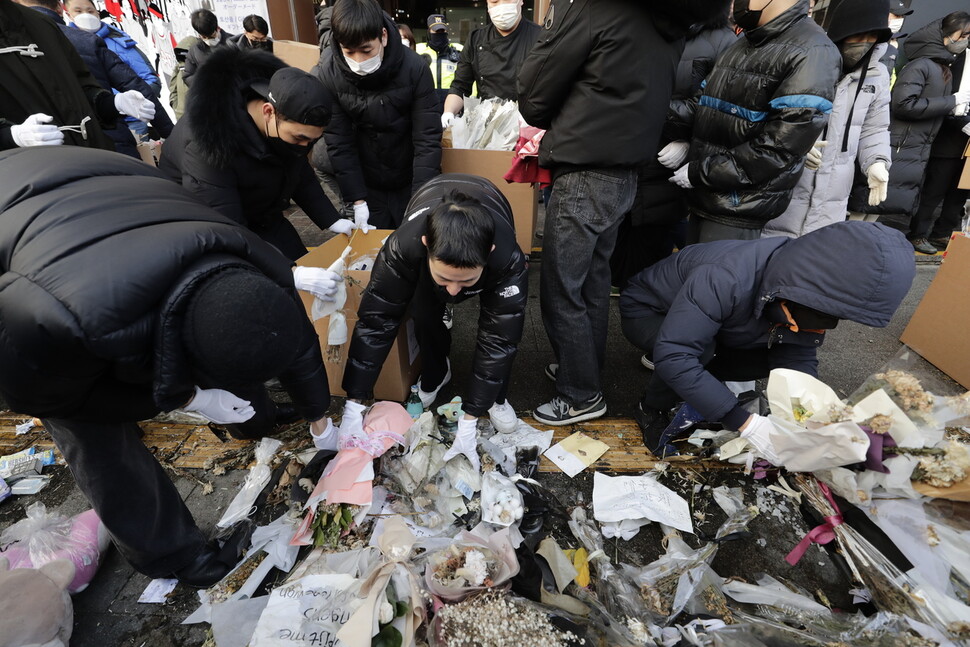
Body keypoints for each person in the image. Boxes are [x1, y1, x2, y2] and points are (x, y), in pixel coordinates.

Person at [0, 146, 342, 587]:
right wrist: (190, 397)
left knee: (238, 343)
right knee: (96, 437)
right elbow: (37, 395)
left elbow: (292, 342)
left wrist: (319, 418)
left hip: (83, 194)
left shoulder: (257, 260)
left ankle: (255, 420)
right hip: (32, 261)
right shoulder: (60, 322)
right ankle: (172, 554)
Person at [518, 0, 728, 425]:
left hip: (585, 165)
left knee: (564, 286)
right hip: (626, 170)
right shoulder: (667, 19)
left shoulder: (599, 9)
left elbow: (534, 90)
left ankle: (580, 393)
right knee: (592, 281)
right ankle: (583, 370)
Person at [619, 221, 915, 452]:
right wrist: (744, 423)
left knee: (767, 365)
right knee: (697, 353)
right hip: (649, 310)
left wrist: (808, 413)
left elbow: (797, 354)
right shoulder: (726, 276)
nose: (832, 324)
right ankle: (652, 407)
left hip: (716, 322)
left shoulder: (802, 284)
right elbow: (675, 354)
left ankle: (703, 390)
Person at [340, 174, 528, 459]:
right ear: (426, 245)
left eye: (465, 282)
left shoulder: (507, 259)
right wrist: (354, 403)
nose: (453, 291)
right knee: (425, 313)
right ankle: (436, 372)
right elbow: (376, 322)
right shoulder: (402, 247)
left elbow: (499, 340)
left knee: (498, 333)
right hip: (429, 198)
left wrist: (470, 419)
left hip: (492, 201)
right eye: (445, 278)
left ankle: (495, 397)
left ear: (489, 254)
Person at [669, 0, 841, 243]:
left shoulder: (813, 51)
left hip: (737, 207)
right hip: (704, 197)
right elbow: (701, 105)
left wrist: (700, 171)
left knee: (715, 278)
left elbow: (777, 148)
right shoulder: (743, 42)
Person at [160, 49, 352, 261]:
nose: (304, 147)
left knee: (300, 263)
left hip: (263, 212)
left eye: (312, 141)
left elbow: (300, 174)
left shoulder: (283, 127)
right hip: (205, 227)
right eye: (299, 138)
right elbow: (225, 226)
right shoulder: (208, 144)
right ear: (268, 111)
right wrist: (287, 272)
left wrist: (331, 219)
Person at [610, 10, 738, 291]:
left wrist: (691, 144)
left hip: (670, 164)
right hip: (627, 151)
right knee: (615, 244)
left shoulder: (722, 41)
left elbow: (722, 106)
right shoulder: (645, 25)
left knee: (653, 246)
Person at [763, 0, 893, 238]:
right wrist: (795, 142)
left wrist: (877, 161)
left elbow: (875, 127)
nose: (864, 43)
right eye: (858, 35)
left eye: (872, 35)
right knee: (771, 250)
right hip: (788, 181)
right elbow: (771, 111)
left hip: (834, 190)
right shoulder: (808, 60)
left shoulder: (878, 75)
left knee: (813, 257)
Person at [847, 12, 970, 254]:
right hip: (898, 144)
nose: (965, 40)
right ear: (945, 36)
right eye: (962, 35)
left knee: (877, 208)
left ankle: (856, 255)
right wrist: (951, 101)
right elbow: (903, 104)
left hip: (915, 147)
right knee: (865, 204)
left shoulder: (940, 67)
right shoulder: (921, 65)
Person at [314, 0, 441, 229]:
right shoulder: (329, 73)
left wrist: (421, 197)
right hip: (366, 179)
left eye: (366, 50)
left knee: (413, 239)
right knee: (375, 247)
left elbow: (427, 138)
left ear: (382, 36)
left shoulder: (414, 68)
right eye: (349, 51)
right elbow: (339, 142)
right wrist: (357, 198)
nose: (359, 61)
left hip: (409, 173)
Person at [17, 0, 171, 158]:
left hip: (49, 156)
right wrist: (170, 135)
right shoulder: (85, 40)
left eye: (90, 11)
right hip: (113, 144)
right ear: (61, 9)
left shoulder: (13, 53)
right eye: (78, 10)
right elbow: (136, 85)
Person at [0, 0, 118, 151]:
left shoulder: (40, 23)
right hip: (27, 168)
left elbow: (81, 86)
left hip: (93, 156)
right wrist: (11, 136)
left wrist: (111, 102)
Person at [63, 0, 166, 143]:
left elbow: (150, 79)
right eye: (78, 11)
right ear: (68, 14)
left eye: (90, 11)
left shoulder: (119, 41)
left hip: (133, 120)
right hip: (92, 126)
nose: (85, 15)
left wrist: (132, 101)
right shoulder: (62, 45)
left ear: (97, 13)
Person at [441, 0, 540, 129]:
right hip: (485, 127)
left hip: (527, 128)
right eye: (494, 1)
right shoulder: (476, 39)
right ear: (488, 6)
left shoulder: (540, 38)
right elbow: (460, 86)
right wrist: (448, 112)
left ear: (520, 1)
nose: (501, 6)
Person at [415, 14, 462, 108]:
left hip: (452, 102)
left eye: (442, 30)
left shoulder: (459, 51)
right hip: (426, 103)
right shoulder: (417, 50)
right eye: (436, 31)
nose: (440, 33)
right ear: (429, 32)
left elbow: (467, 76)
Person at [182, 8, 233, 86]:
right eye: (205, 37)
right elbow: (187, 76)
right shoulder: (195, 50)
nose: (209, 40)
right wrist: (205, 80)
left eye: (212, 36)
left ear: (218, 28)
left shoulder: (234, 42)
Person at [882, 0, 913, 78]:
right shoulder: (867, 39)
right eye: (896, 15)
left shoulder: (893, 48)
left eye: (902, 16)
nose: (900, 19)